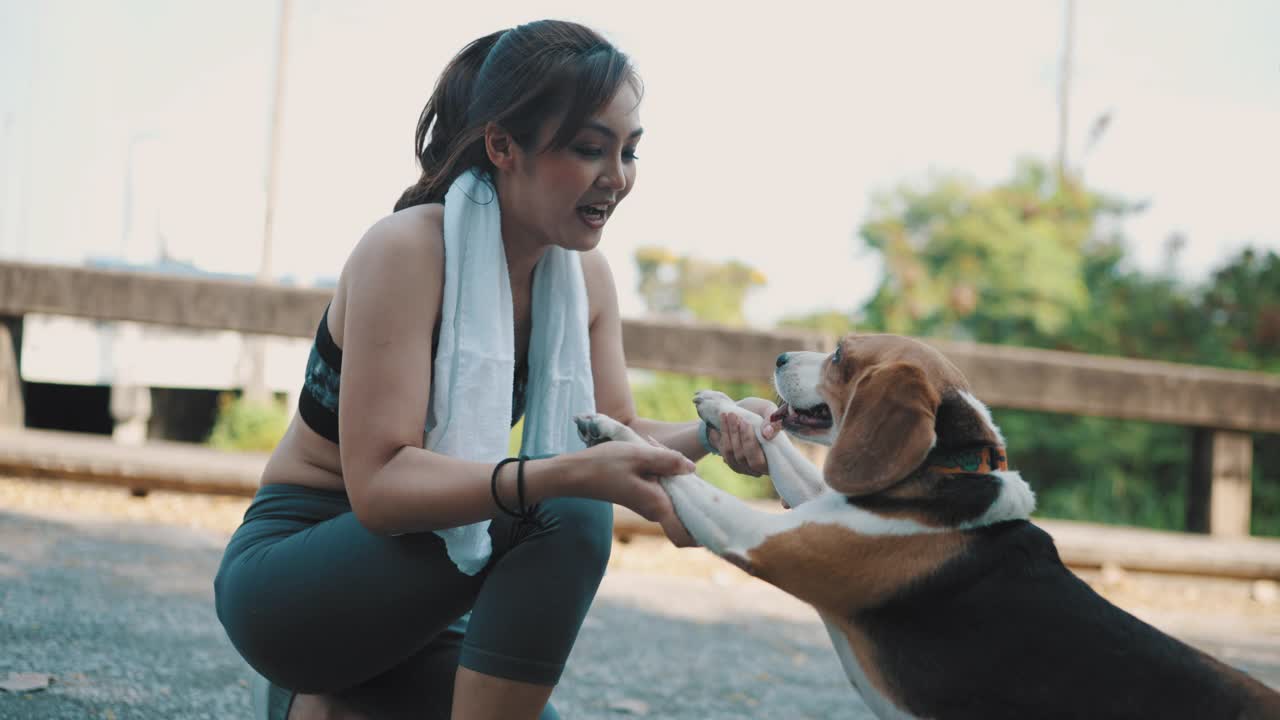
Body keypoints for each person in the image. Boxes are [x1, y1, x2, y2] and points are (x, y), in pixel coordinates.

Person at [213, 19, 778, 720]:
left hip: (425, 602)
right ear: (502, 145)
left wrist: (717, 427)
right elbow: (381, 488)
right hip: (298, 578)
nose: (618, 178)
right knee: (568, 510)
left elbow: (617, 431)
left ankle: (326, 700)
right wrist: (568, 475)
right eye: (588, 149)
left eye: (629, 151)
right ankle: (321, 677)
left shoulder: (584, 280)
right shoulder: (407, 252)